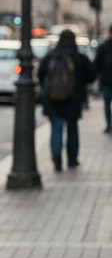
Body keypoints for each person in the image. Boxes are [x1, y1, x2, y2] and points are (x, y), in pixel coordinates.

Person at [37, 29, 95, 171]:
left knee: (56, 128)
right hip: (73, 99)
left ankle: (57, 159)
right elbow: (91, 77)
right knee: (72, 128)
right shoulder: (79, 57)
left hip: (52, 99)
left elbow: (40, 75)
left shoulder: (50, 56)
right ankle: (72, 159)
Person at [93, 24, 112, 133]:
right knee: (106, 103)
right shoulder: (104, 47)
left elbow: (97, 64)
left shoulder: (104, 47)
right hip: (106, 80)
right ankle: (109, 124)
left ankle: (109, 124)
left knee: (107, 103)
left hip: (106, 80)